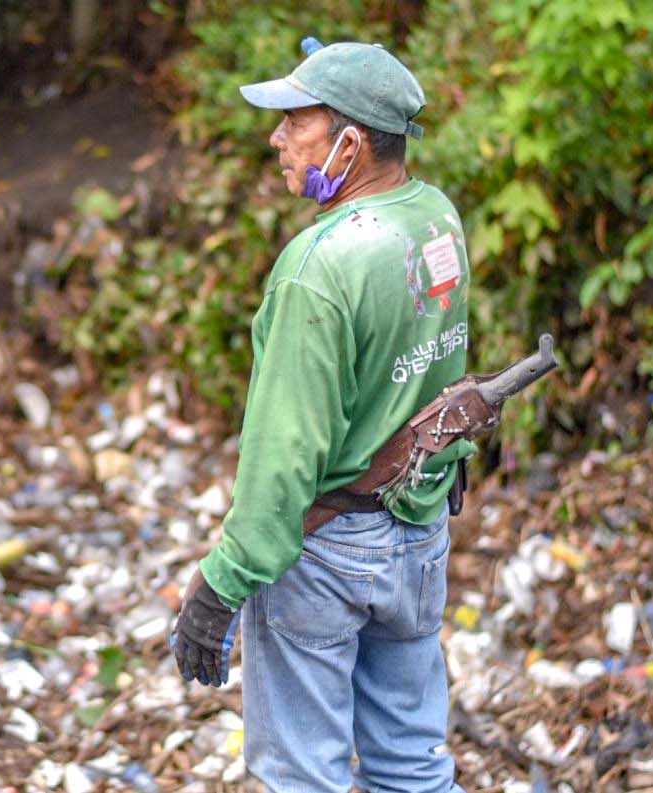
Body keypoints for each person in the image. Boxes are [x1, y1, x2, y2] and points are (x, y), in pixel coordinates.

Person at [171, 39, 474, 793]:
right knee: (410, 761)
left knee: (301, 774)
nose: (275, 138)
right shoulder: (436, 218)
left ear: (351, 141)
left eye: (293, 121)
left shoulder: (319, 267)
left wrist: (221, 584)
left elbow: (284, 457)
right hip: (419, 531)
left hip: (329, 552)